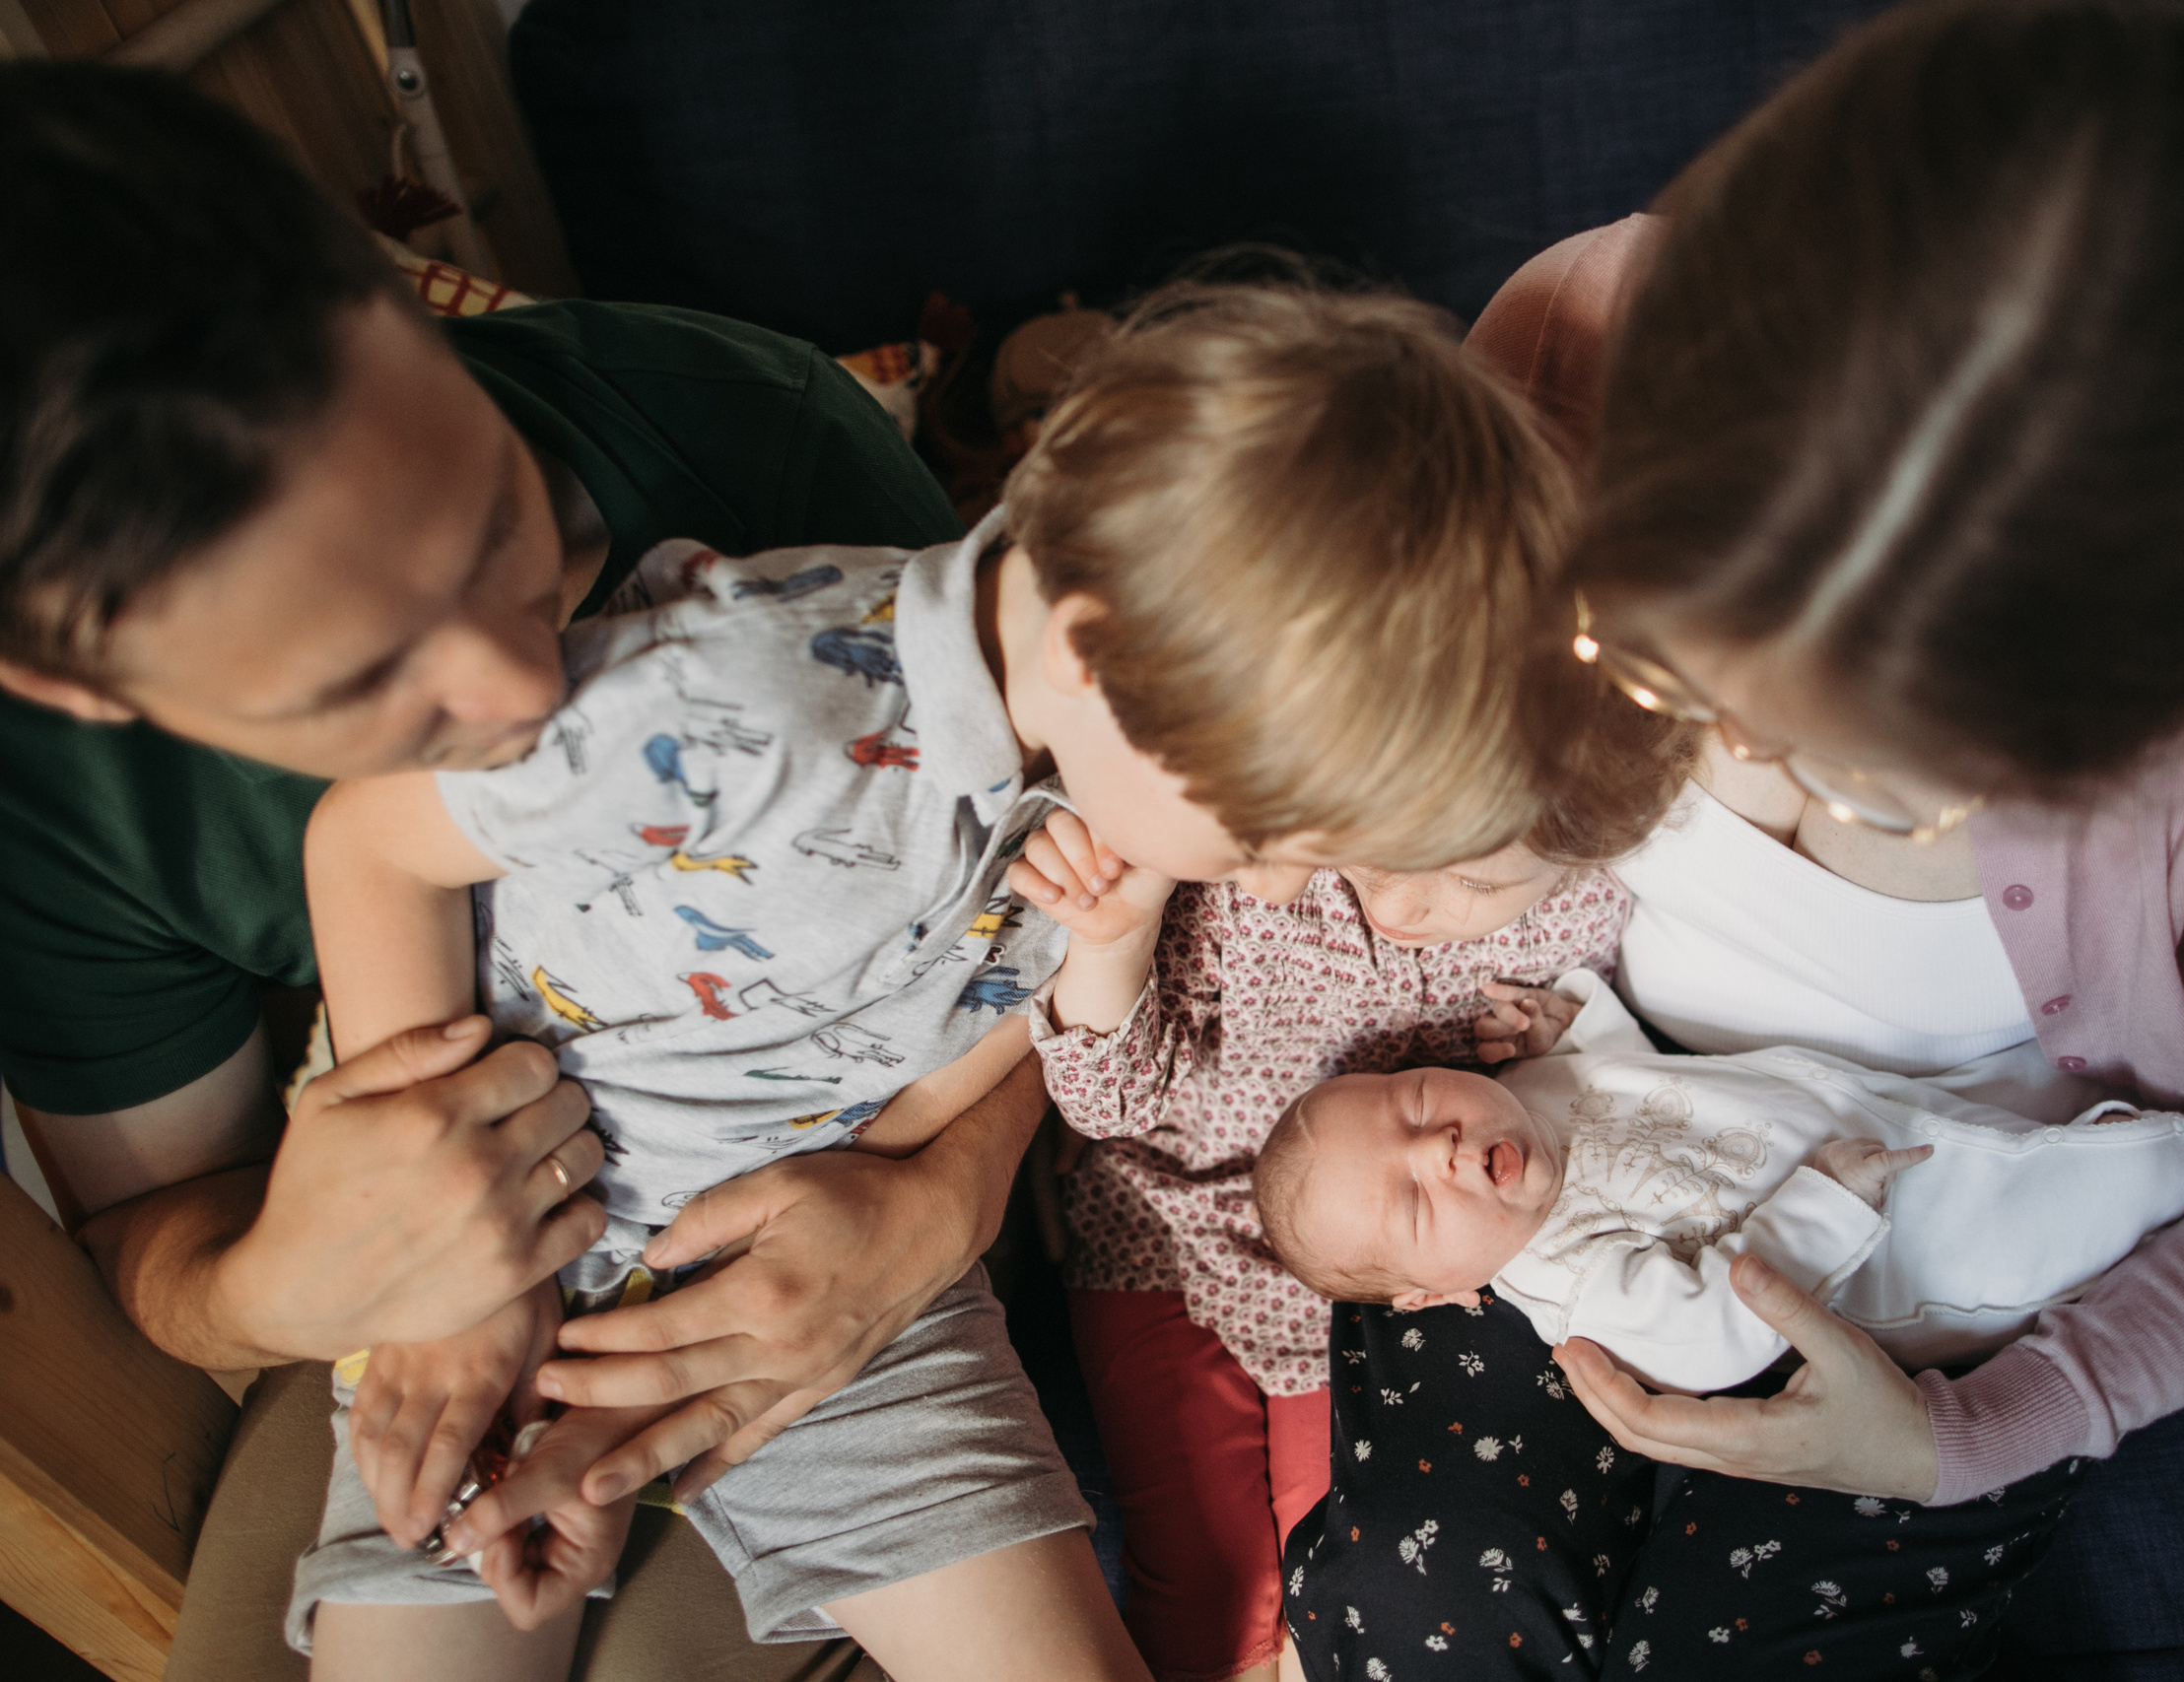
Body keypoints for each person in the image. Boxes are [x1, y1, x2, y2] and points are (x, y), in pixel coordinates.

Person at [1290, 2, 2184, 1676]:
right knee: (1411, 1612)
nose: (1734, 755)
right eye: (1661, 663)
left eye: (1868, 782)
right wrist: (1479, 801)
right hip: (1560, 1129)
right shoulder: (1576, 332)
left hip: (1935, 1267)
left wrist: (1971, 1434)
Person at [286, 276, 1580, 1679]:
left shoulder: (1119, 786)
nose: (1271, 888)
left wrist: (886, 1208)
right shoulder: (745, 704)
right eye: (1274, 837)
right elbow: (369, 841)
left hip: (843, 1259)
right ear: (1103, 659)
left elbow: (996, 1027)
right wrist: (448, 1284)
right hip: (506, 1226)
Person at [3, 61, 1006, 1682]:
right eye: (362, 680)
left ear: (390, 295)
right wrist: (287, 1278)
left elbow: (1068, 861)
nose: (524, 687)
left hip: (863, 1162)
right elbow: (159, 1246)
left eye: (493, 517)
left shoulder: (746, 430)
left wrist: (942, 1203)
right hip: (419, 1317)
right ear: (82, 682)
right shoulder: (50, 799)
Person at [1015, 678, 1688, 1682]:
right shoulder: (1261, 885)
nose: (1412, 907)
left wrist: (1569, 1038)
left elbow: (1588, 1109)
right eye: (1384, 854)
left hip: (1359, 1292)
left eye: (1473, 885)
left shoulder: (1577, 909)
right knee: (1195, 1586)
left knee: (1320, 1582)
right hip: (1159, 1233)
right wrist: (1112, 940)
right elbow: (1107, 1102)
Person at [1255, 970, 2184, 1393]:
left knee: (2043, 1081)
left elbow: (1636, 1080)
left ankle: (2155, 1082)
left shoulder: (1524, 1095)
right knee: (2089, 1199)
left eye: (1417, 1100)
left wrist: (1573, 1027)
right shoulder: (1572, 1285)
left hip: (1874, 1107)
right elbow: (1710, 1336)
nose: (1442, 1147)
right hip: (1899, 1250)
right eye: (1415, 1201)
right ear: (1439, 1295)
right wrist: (1823, 1212)